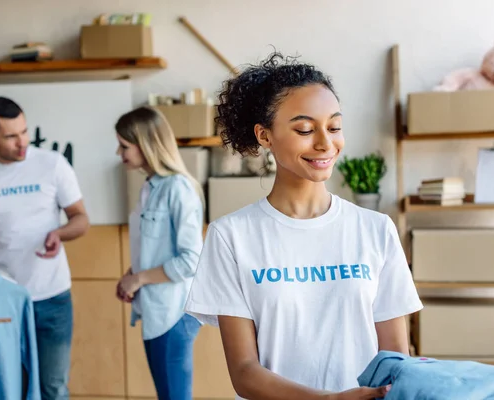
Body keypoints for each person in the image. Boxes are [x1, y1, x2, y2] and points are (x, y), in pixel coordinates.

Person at [184, 53, 424, 400]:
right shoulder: (231, 237)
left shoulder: (375, 230)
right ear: (264, 136)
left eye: (335, 126)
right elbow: (244, 372)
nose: (325, 143)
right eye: (305, 130)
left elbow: (396, 360)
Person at [0, 96, 89, 400]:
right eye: (11, 136)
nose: (22, 142)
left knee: (53, 388)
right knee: (10, 387)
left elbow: (80, 219)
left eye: (24, 131)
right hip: (1, 299)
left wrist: (60, 233)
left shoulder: (53, 164)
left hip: (53, 298)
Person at [114, 106, 204, 400]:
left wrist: (139, 279)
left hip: (174, 314)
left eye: (124, 146)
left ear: (146, 145)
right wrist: (131, 276)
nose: (119, 152)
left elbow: (192, 260)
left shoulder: (178, 188)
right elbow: (155, 248)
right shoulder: (149, 187)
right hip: (155, 310)